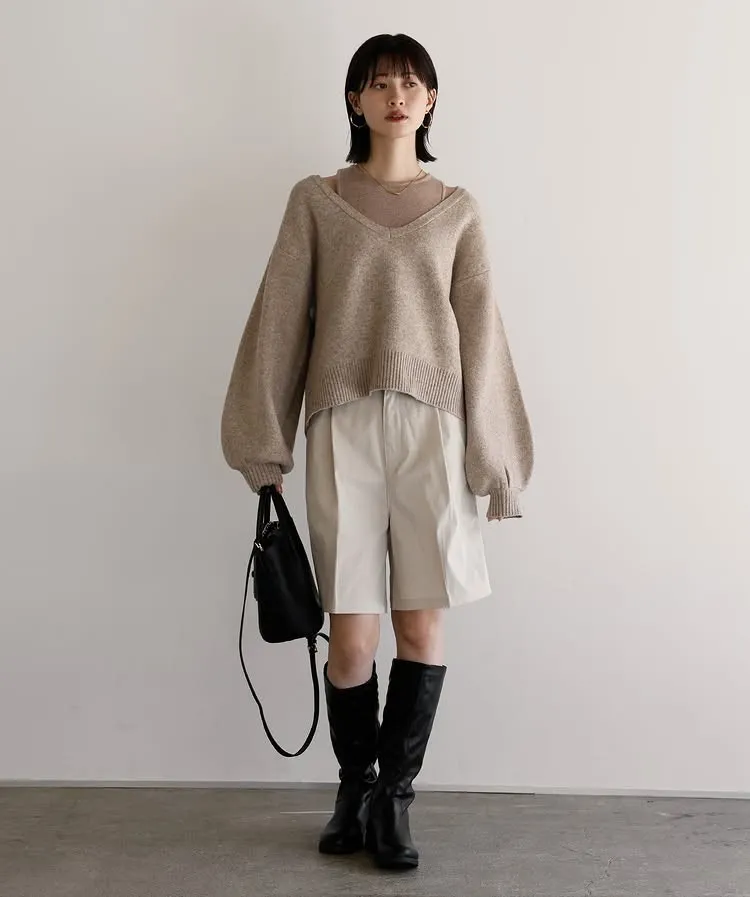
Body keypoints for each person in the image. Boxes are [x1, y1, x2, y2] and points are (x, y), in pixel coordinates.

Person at [221, 33, 534, 871]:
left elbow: (483, 337)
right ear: (354, 99)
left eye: (411, 83)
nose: (397, 95)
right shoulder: (316, 201)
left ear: (431, 101)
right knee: (353, 637)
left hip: (435, 433)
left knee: (421, 623)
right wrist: (261, 440)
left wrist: (496, 460)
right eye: (379, 82)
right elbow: (280, 320)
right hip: (343, 428)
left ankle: (395, 797)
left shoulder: (459, 210)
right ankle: (354, 786)